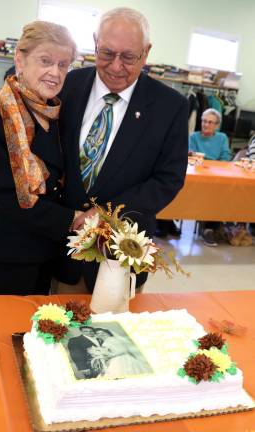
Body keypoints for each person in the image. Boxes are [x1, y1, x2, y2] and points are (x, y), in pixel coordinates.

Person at [52, 7, 189, 292]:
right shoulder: (66, 85)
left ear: (146, 52)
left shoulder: (170, 107)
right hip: (58, 252)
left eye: (128, 57)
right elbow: (31, 144)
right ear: (94, 43)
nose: (116, 67)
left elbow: (168, 180)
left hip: (119, 259)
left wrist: (103, 215)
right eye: (106, 53)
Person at [0, 21, 87, 295]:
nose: (54, 73)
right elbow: (9, 197)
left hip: (45, 249)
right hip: (5, 252)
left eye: (63, 64)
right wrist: (72, 218)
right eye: (45, 61)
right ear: (20, 60)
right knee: (1, 334)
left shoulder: (54, 113)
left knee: (34, 331)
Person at [189, 108, 231, 246]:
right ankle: (207, 228)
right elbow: (190, 157)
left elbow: (225, 158)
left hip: (216, 176)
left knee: (221, 191)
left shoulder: (222, 138)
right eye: (204, 121)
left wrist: (207, 160)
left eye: (211, 122)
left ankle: (210, 227)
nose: (206, 125)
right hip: (197, 176)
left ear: (217, 125)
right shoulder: (194, 137)